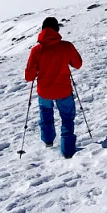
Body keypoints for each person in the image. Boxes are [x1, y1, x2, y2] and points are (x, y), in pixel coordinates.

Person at [24, 17, 83, 158]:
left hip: (44, 91)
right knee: (67, 118)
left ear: (43, 30)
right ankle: (68, 151)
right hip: (63, 90)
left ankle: (48, 141)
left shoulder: (37, 50)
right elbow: (78, 64)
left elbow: (29, 76)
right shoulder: (66, 46)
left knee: (45, 114)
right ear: (57, 29)